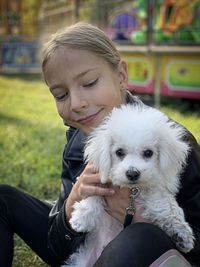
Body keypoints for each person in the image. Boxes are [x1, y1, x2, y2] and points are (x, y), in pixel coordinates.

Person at [0, 22, 200, 267]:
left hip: (150, 252)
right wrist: (72, 202)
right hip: (90, 247)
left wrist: (137, 220)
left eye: (90, 82)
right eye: (61, 95)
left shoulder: (173, 140)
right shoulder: (80, 136)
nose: (76, 103)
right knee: (3, 198)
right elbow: (59, 248)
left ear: (121, 75)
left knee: (136, 238)